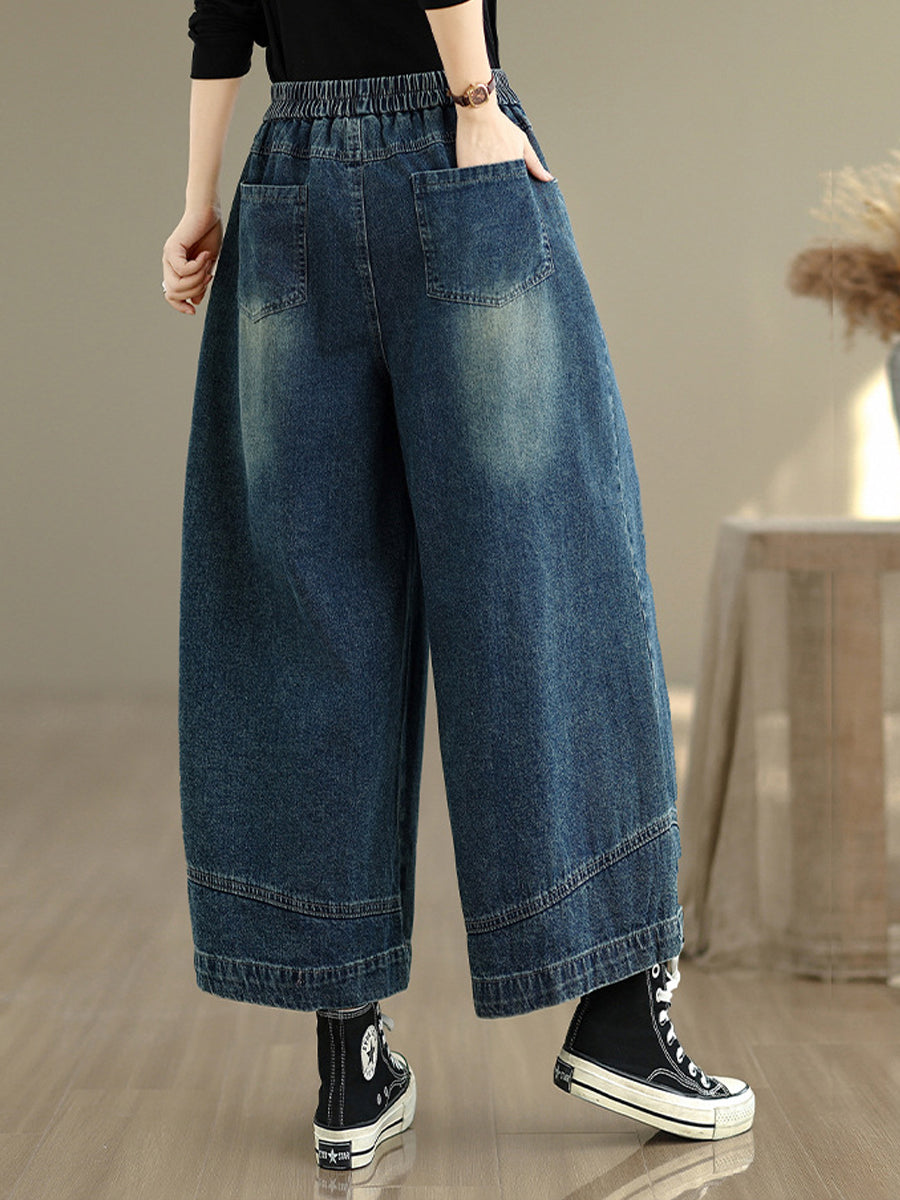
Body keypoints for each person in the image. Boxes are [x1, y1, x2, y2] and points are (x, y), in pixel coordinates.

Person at [162, 0, 755, 1173]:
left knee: (309, 609)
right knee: (547, 578)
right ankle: (617, 1017)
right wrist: (474, 98)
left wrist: (199, 197)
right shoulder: (463, 112)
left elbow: (222, 14)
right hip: (447, 144)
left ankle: (349, 1062)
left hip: (283, 179)